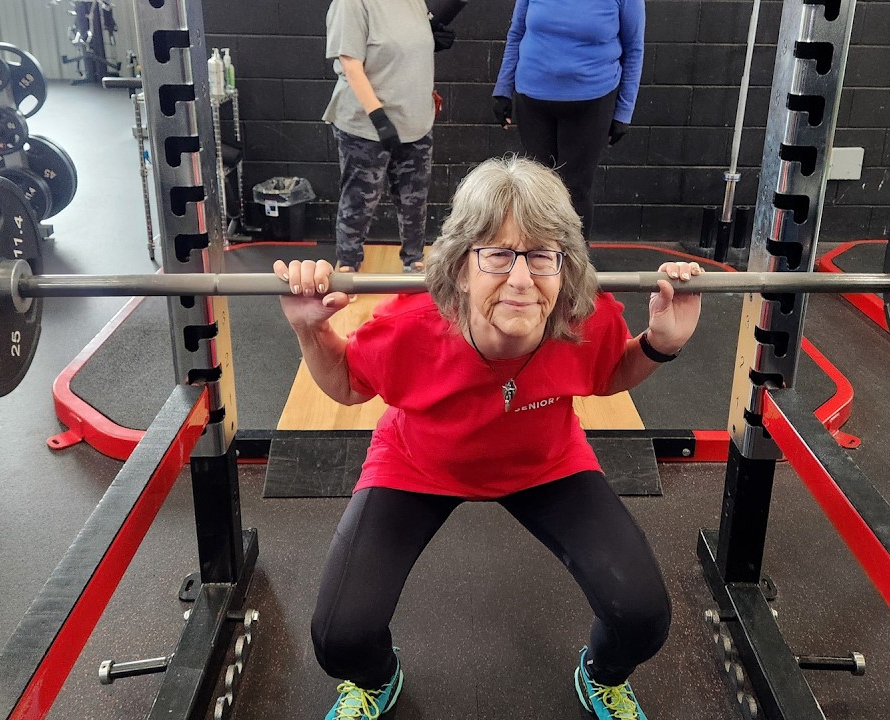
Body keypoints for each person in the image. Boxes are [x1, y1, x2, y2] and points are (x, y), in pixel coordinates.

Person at [274, 156, 702, 720]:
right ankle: (376, 680)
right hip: (418, 464)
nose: (521, 281)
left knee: (642, 617)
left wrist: (659, 344)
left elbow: (609, 373)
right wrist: (311, 330)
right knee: (340, 638)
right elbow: (348, 386)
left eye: (541, 256)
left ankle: (601, 676)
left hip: (545, 463)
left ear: (564, 268)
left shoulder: (583, 319)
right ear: (459, 268)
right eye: (498, 255)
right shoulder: (411, 326)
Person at [491, 0, 645, 241]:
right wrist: (502, 88)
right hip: (532, 101)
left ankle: (575, 270)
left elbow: (634, 48)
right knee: (536, 191)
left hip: (592, 102)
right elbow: (517, 32)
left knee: (575, 191)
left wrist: (624, 110)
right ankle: (539, 263)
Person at [322, 0, 455, 274]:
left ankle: (413, 261)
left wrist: (432, 39)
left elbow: (409, 45)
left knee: (414, 199)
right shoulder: (352, 4)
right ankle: (348, 265)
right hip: (366, 125)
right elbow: (350, 65)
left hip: (415, 120)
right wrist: (379, 118)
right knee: (360, 199)